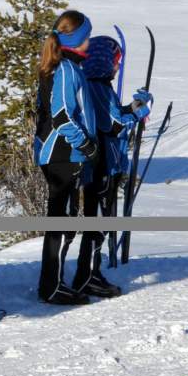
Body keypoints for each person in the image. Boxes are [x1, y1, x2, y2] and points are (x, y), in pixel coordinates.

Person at [34, 9, 103, 305]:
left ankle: (54, 282)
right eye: (87, 36)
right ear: (76, 39)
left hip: (65, 153)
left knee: (63, 220)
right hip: (63, 154)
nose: (89, 41)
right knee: (61, 221)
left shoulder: (68, 67)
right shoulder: (64, 70)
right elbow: (62, 116)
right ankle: (51, 286)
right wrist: (85, 144)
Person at [79, 34, 127, 299]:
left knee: (100, 217)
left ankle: (91, 272)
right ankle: (90, 274)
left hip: (104, 160)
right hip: (102, 162)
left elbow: (116, 117)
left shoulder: (98, 84)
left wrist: (131, 109)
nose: (117, 67)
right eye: (115, 61)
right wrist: (136, 113)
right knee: (98, 218)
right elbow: (112, 124)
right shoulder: (96, 85)